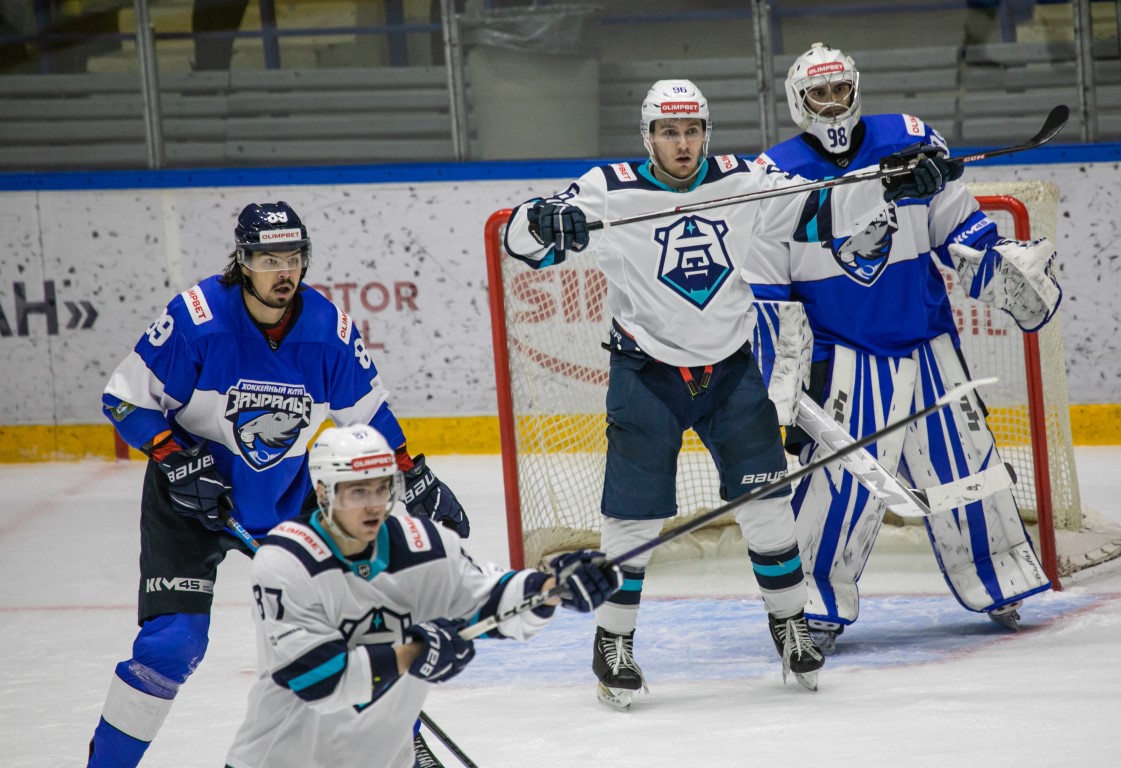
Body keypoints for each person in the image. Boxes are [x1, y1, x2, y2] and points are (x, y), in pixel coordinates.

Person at [502, 79, 963, 708]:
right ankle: (613, 642)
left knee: (768, 505)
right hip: (646, 376)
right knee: (632, 521)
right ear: (648, 137)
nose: (682, 143)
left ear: (706, 134)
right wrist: (543, 219)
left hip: (730, 373)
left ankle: (791, 624)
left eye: (692, 130)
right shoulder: (607, 188)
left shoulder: (741, 181)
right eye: (669, 132)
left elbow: (822, 213)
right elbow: (520, 241)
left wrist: (897, 188)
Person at [88, 201, 471, 768]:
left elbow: (370, 415)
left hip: (286, 497)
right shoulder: (197, 319)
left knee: (366, 617)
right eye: (269, 259)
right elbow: (123, 398)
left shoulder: (327, 330)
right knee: (172, 646)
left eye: (293, 257)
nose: (283, 272)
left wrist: (414, 474)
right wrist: (173, 456)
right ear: (243, 261)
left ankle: (398, 739)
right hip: (190, 498)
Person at [744, 43, 1061, 652]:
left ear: (856, 89)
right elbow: (768, 294)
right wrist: (780, 389)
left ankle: (1000, 577)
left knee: (966, 467)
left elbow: (960, 231)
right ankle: (815, 604)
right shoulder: (772, 177)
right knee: (842, 483)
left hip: (928, 341)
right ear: (797, 101)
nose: (832, 104)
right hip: (844, 356)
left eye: (841, 90)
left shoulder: (909, 141)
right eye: (819, 93)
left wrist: (1003, 271)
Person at [223, 424, 621, 768]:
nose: (374, 505)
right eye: (358, 492)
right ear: (324, 494)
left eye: (382, 488)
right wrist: (415, 652)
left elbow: (488, 598)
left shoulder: (426, 546)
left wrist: (554, 588)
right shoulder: (286, 561)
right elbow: (316, 677)